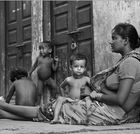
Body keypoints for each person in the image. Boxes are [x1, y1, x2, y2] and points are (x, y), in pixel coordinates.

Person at [0, 23, 140, 125]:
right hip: (107, 109)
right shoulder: (129, 61)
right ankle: (3, 111)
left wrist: (97, 94)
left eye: (114, 38)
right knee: (51, 110)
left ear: (126, 40)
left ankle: (3, 106)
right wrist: (99, 90)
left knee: (50, 109)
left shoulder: (130, 63)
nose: (111, 41)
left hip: (107, 112)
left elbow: (121, 100)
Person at [51, 53, 92, 124]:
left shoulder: (86, 79)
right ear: (71, 68)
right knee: (60, 98)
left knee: (88, 99)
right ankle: (55, 118)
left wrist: (91, 93)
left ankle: (87, 117)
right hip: (70, 99)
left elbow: (94, 86)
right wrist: (64, 95)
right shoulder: (68, 79)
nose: (79, 69)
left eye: (81, 67)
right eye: (76, 66)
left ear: (85, 69)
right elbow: (61, 87)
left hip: (81, 100)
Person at [28, 41, 59, 105]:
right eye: (40, 49)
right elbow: (34, 66)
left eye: (43, 49)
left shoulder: (51, 60)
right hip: (40, 80)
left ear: (50, 50)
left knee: (55, 87)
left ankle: (52, 99)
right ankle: (37, 105)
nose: (41, 50)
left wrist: (57, 62)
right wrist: (29, 72)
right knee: (38, 93)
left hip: (48, 79)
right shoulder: (39, 58)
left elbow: (54, 69)